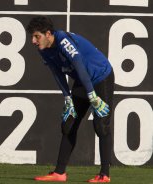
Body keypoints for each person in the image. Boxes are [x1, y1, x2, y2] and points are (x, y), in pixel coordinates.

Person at [26, 16, 114, 183]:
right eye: (32, 36)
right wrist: (67, 97)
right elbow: (56, 72)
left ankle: (105, 174)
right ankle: (60, 173)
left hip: (101, 77)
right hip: (83, 81)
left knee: (101, 125)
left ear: (48, 34)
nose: (33, 41)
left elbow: (79, 66)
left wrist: (92, 96)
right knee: (69, 124)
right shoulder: (43, 48)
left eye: (37, 36)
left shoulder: (63, 41)